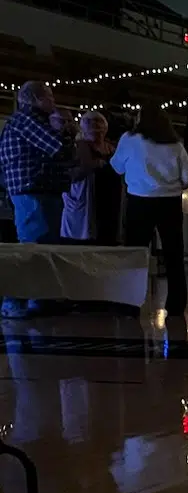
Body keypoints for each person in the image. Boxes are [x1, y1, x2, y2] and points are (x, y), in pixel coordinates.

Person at [112, 98, 188, 320]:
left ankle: (130, 302)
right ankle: (177, 303)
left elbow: (116, 166)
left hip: (139, 200)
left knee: (135, 253)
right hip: (169, 202)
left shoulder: (130, 139)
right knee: (174, 254)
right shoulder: (174, 143)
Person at [0, 80, 75, 318]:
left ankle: (39, 298)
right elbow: (59, 149)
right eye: (49, 97)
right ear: (34, 99)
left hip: (44, 191)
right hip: (32, 191)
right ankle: (15, 302)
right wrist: (66, 131)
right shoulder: (26, 120)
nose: (53, 102)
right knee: (31, 249)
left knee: (44, 249)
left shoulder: (36, 121)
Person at [60, 110, 114, 241]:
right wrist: (91, 165)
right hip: (82, 195)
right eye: (89, 122)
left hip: (109, 198)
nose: (94, 125)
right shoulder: (77, 146)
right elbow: (67, 172)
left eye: (98, 121)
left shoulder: (112, 148)